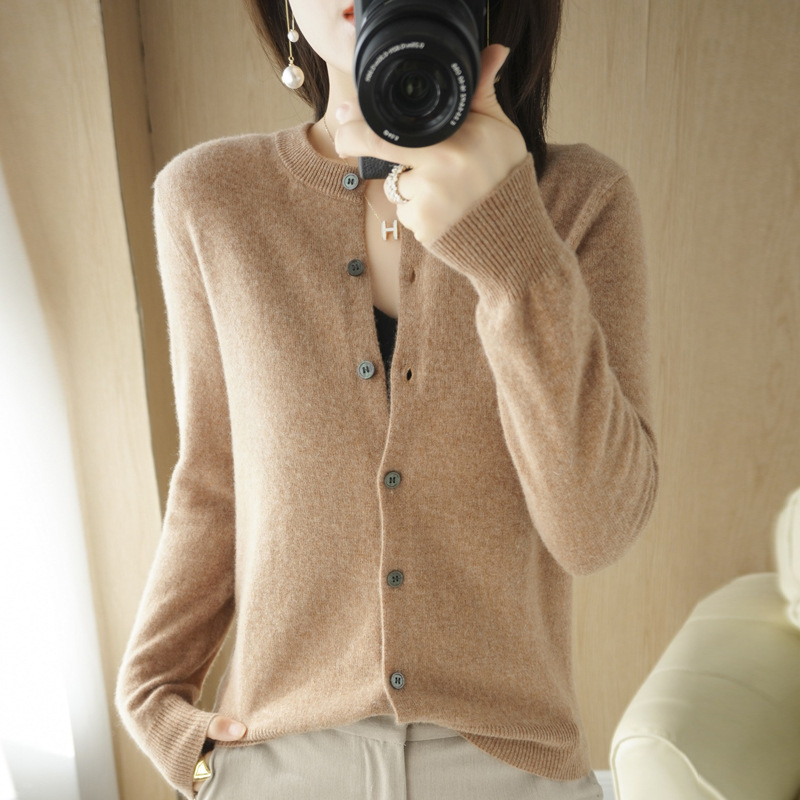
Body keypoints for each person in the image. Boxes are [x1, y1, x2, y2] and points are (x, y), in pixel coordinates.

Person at [115, 0, 659, 798]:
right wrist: (156, 704)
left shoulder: (579, 199)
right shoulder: (210, 197)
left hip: (508, 770)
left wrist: (515, 255)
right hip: (277, 765)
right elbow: (213, 480)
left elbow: (596, 528)